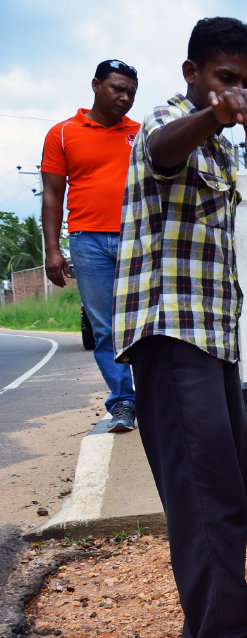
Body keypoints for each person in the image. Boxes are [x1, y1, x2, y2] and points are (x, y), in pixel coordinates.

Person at [113, 17, 247, 638]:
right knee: (205, 489)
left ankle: (220, 623)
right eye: (225, 78)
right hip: (170, 331)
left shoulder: (225, 151)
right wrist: (217, 115)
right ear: (193, 75)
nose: (236, 92)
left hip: (212, 336)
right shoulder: (173, 119)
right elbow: (160, 150)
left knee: (231, 482)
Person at [41, 60, 140, 432]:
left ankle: (158, 397)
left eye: (130, 91)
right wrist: (53, 250)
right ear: (96, 85)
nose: (124, 97)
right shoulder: (62, 133)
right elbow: (52, 195)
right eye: (117, 88)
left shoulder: (141, 133)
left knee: (146, 323)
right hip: (87, 242)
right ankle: (123, 404)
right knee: (105, 329)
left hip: (138, 238)